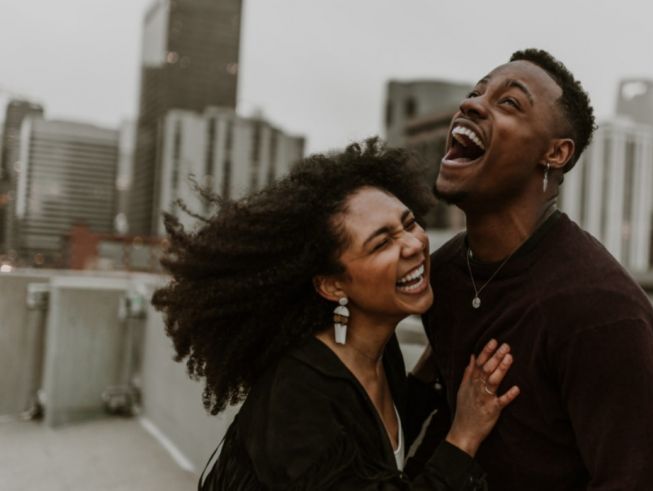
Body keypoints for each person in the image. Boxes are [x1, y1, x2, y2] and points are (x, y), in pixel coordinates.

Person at [152, 139, 520, 490]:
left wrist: (428, 372)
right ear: (332, 286)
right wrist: (465, 435)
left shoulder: (375, 350)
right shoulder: (297, 395)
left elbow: (367, 442)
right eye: (381, 243)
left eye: (409, 223)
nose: (413, 243)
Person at [421, 49, 653, 489]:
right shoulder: (444, 273)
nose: (471, 104)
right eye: (475, 92)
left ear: (555, 153)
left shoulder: (601, 312)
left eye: (509, 103)